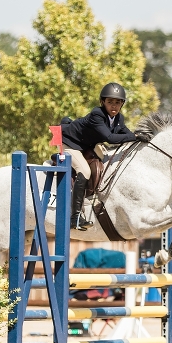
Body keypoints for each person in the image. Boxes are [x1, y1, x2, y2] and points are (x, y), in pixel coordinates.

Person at [55, 82, 145, 231]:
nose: (114, 106)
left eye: (118, 102)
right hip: (70, 143)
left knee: (108, 160)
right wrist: (135, 136)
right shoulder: (97, 114)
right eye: (110, 102)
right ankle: (75, 217)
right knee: (85, 171)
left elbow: (127, 135)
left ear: (122, 104)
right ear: (103, 102)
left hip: (88, 144)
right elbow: (110, 138)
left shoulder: (119, 119)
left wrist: (142, 137)